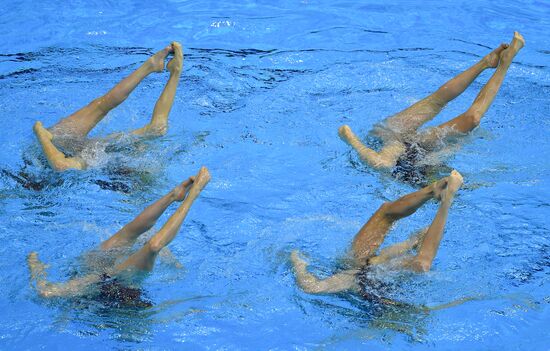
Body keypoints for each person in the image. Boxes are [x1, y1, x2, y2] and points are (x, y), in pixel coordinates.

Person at [338, 32, 524, 185]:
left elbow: (380, 164)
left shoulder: (393, 164)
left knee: (436, 101)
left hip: (387, 138)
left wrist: (350, 138)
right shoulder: (436, 174)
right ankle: (504, 63)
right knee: (472, 120)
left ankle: (485, 62)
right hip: (416, 149)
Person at [27, 166, 210, 307]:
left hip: (107, 281)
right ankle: (179, 195)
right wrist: (36, 267)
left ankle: (180, 194)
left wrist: (36, 268)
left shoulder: (97, 295)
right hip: (100, 276)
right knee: (135, 236)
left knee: (140, 239)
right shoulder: (94, 293)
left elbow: (45, 292)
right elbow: (44, 291)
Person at [290, 170, 463, 303]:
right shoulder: (400, 256)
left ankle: (437, 194)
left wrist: (297, 262)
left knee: (416, 259)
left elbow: (423, 261)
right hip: (364, 274)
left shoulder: (399, 262)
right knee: (385, 214)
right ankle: (432, 191)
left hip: (365, 282)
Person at [32, 42, 184, 172]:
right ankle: (170, 71)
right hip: (65, 148)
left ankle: (159, 68)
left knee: (103, 106)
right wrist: (41, 134)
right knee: (104, 107)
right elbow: (60, 165)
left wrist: (44, 137)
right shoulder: (94, 158)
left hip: (58, 145)